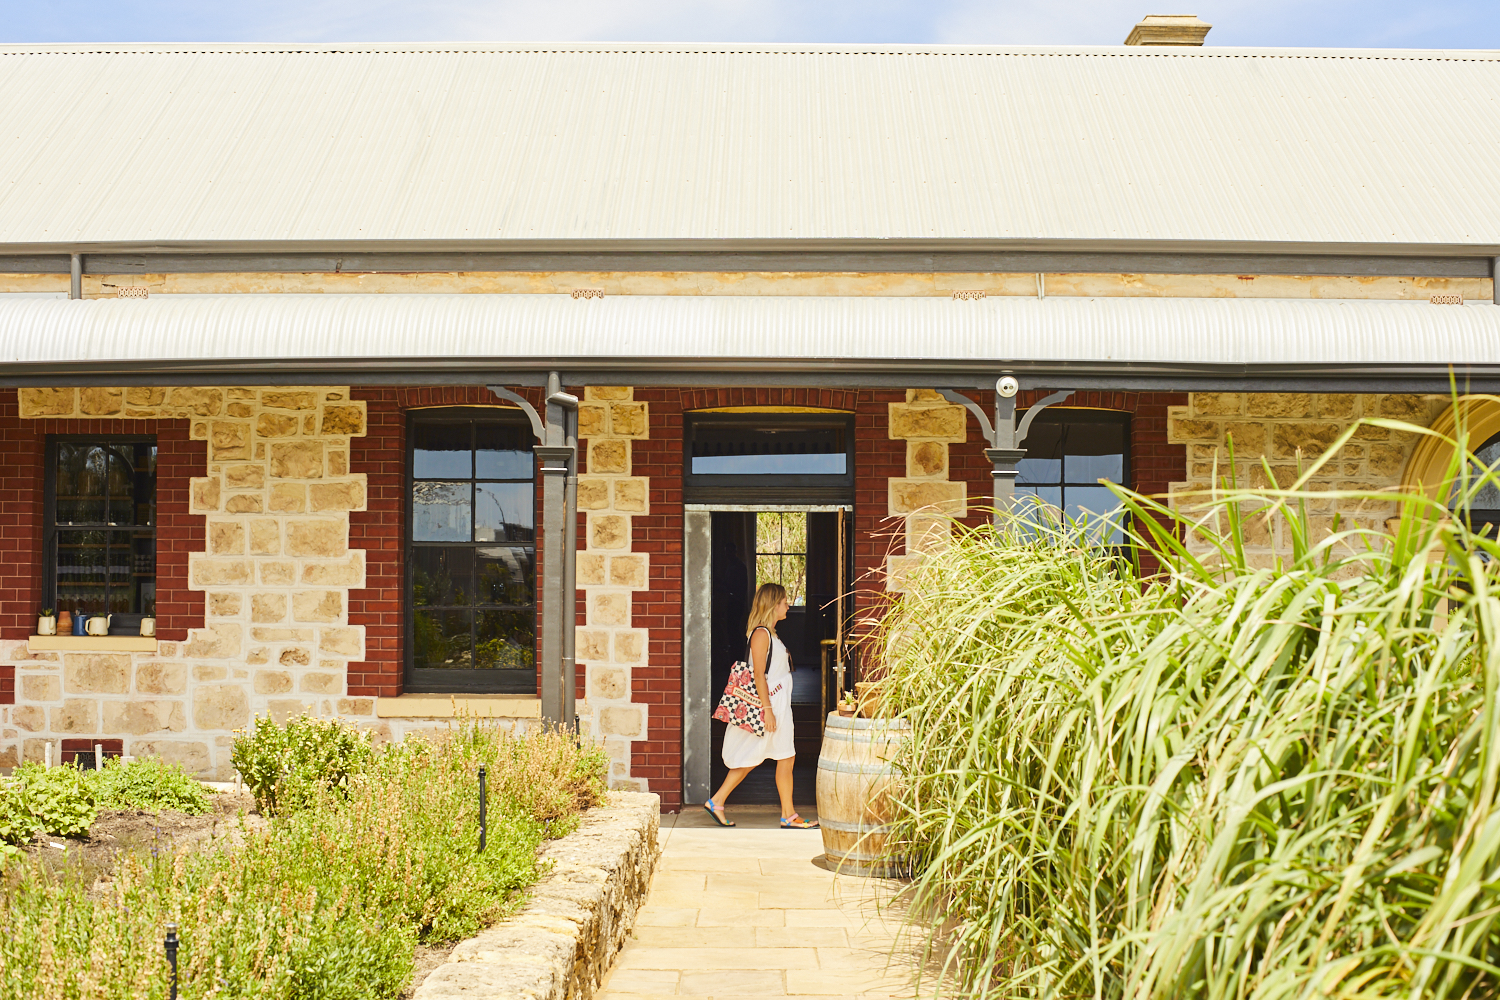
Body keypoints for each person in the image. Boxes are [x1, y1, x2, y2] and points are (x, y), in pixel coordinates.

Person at [704, 582, 819, 829]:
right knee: (753, 756)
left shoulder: (772, 634)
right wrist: (767, 711)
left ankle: (788, 815)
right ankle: (717, 800)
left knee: (786, 757)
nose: (788, 606)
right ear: (773, 605)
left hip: (779, 705)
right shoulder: (761, 634)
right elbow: (758, 674)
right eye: (784, 602)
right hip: (769, 706)